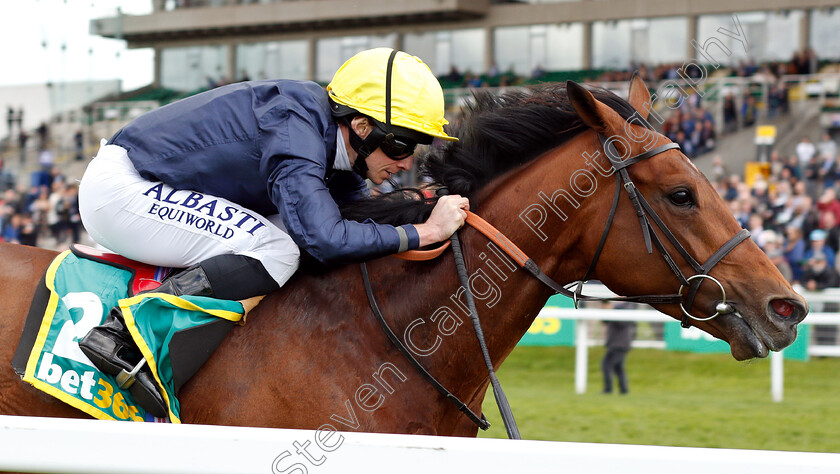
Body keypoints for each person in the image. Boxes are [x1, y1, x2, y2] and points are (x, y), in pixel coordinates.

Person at [76, 48, 469, 416]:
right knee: (278, 249)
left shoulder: (330, 146)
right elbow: (327, 238)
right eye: (402, 145)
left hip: (153, 185)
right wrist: (423, 231)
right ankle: (124, 333)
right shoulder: (296, 133)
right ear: (362, 126)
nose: (407, 162)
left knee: (290, 242)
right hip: (122, 190)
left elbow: (352, 223)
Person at [601, 317, 636, 395]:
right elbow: (605, 320)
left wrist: (612, 310)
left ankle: (608, 389)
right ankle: (624, 389)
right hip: (617, 344)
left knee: (606, 365)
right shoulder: (616, 308)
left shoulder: (626, 308)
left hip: (619, 345)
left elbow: (623, 323)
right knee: (619, 368)